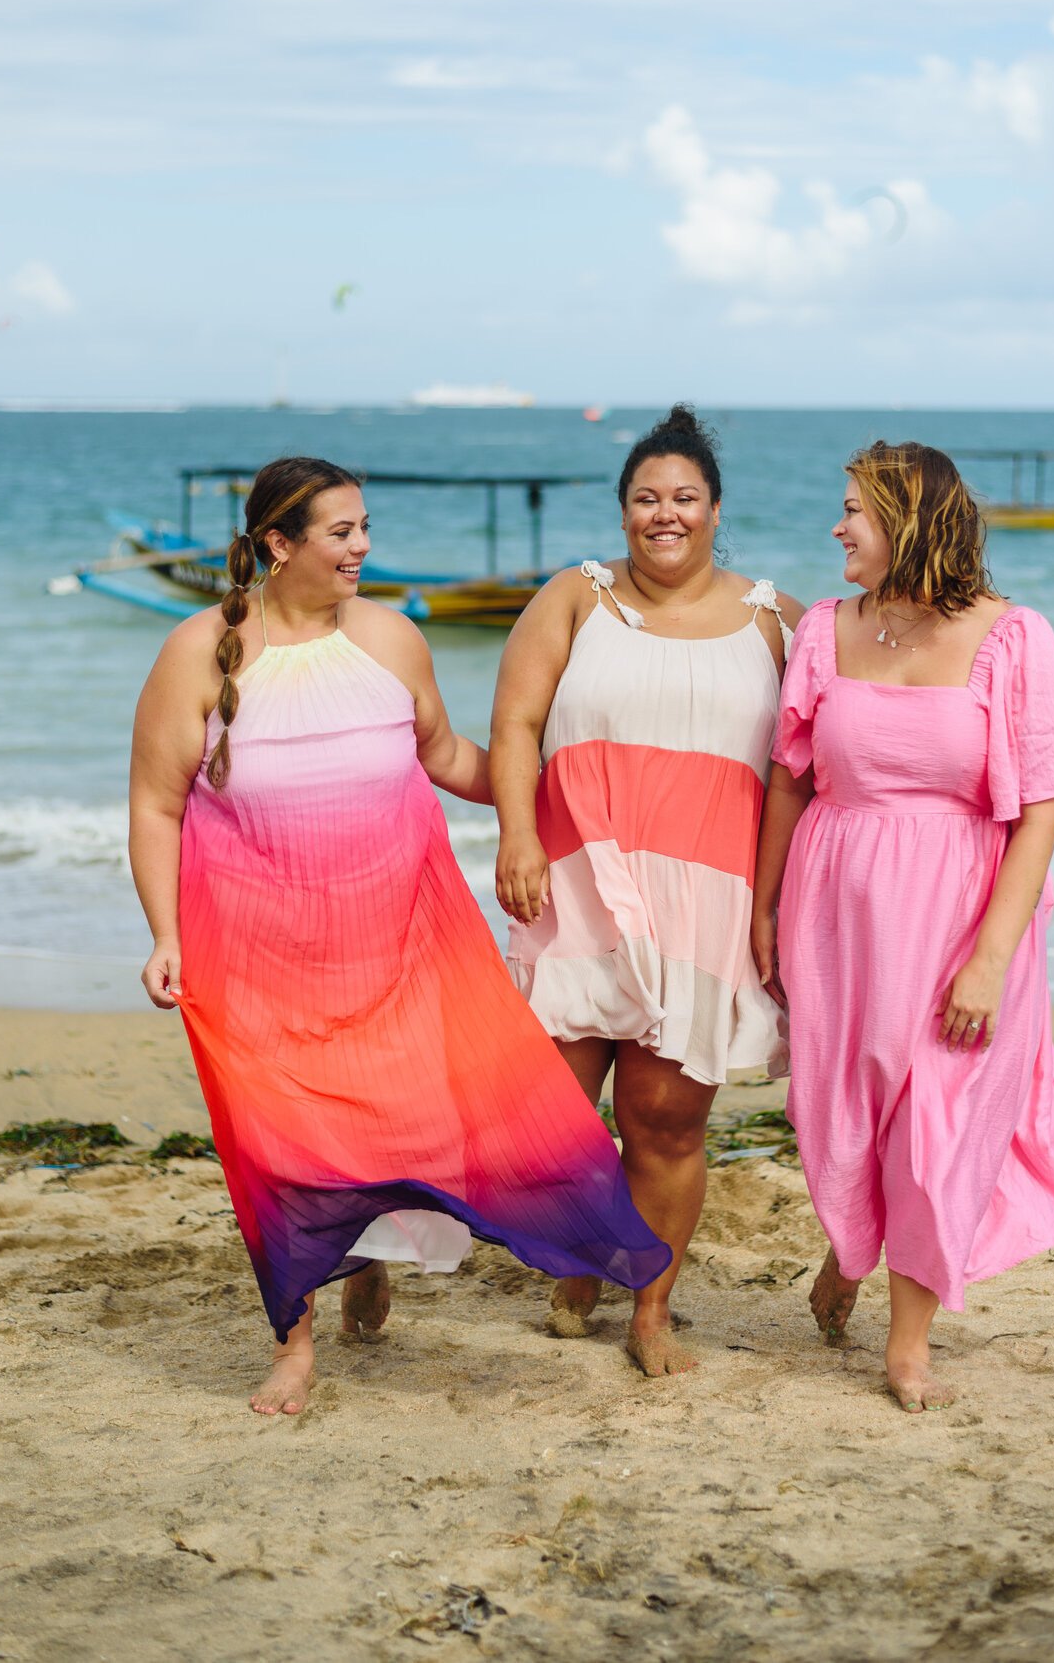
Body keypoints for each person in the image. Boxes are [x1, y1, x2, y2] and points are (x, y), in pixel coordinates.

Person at [129, 456, 669, 1416]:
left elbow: (448, 756)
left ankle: (369, 1251)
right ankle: (294, 1344)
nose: (364, 547)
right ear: (278, 544)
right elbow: (156, 804)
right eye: (342, 533)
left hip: (394, 945)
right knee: (276, 1147)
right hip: (252, 956)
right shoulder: (194, 653)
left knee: (403, 1122)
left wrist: (551, 795)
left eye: (365, 527)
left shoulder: (389, 638)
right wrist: (165, 934)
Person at [751, 440, 1054, 1414]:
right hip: (841, 911)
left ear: (906, 524)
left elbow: (1041, 806)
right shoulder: (823, 630)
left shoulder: (1012, 639)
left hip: (963, 913)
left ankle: (906, 1348)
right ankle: (846, 1259)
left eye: (852, 510)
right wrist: (765, 904)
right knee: (851, 1110)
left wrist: (989, 958)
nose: (836, 528)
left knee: (938, 1127)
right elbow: (790, 777)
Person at [491, 406, 802, 1376]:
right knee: (550, 1115)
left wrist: (781, 902)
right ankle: (580, 1251)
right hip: (574, 884)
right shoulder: (575, 598)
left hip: (705, 902)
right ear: (621, 511)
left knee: (665, 1121)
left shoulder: (773, 618)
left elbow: (811, 768)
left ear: (714, 510)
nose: (662, 514)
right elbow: (512, 726)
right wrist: (513, 835)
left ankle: (650, 1311)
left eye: (682, 498)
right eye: (643, 498)